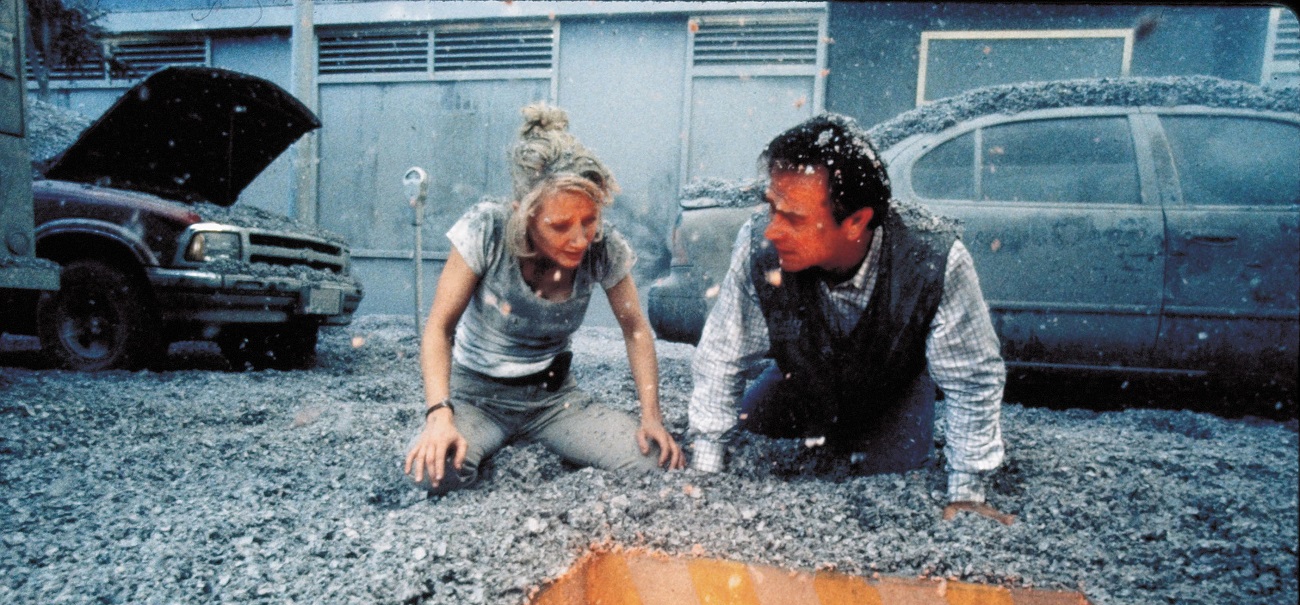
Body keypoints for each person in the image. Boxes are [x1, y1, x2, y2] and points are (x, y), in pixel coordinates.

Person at [688, 113, 1012, 524]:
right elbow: (722, 353)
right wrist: (706, 467)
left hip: (891, 389)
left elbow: (973, 379)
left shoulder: (935, 259)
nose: (772, 231)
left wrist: (967, 489)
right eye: (772, 208)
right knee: (751, 431)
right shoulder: (759, 244)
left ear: (856, 221)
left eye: (794, 218)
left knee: (894, 472)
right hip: (803, 377)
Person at [405, 103, 684, 493]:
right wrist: (439, 414)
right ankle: (486, 435)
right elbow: (439, 328)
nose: (580, 239)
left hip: (553, 400)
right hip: (477, 399)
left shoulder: (603, 248)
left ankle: (536, 436)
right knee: (434, 473)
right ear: (523, 214)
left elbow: (636, 330)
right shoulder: (486, 230)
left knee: (655, 462)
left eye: (589, 220)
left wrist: (651, 417)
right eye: (560, 225)